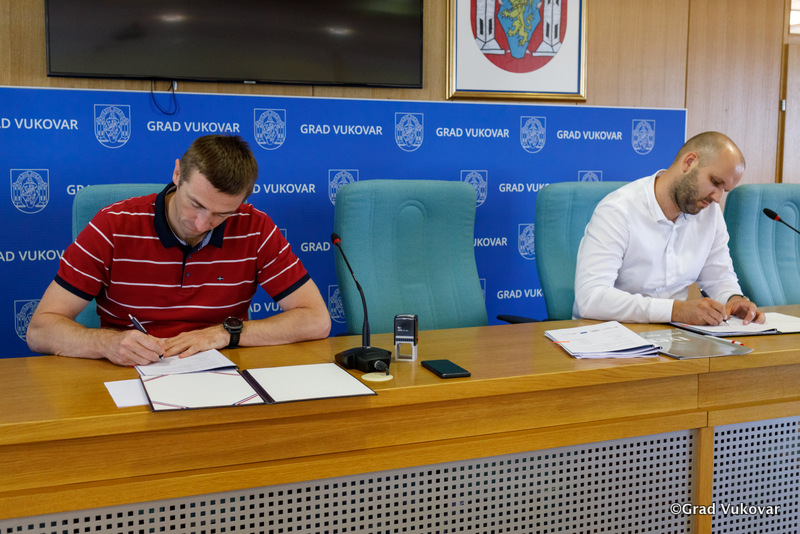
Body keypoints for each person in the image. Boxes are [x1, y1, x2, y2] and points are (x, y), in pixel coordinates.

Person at [27, 135, 331, 365]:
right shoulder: (113, 225)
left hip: (223, 375)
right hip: (130, 373)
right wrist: (106, 344)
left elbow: (316, 319)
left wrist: (225, 333)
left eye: (221, 214)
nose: (201, 224)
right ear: (177, 174)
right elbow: (40, 330)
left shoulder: (255, 227)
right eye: (195, 204)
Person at [573, 131, 765, 326]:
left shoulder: (710, 213)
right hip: (612, 333)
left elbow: (719, 277)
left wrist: (734, 299)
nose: (717, 198)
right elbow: (591, 298)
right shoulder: (618, 211)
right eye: (715, 182)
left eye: (724, 190)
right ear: (689, 162)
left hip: (676, 334)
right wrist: (675, 310)